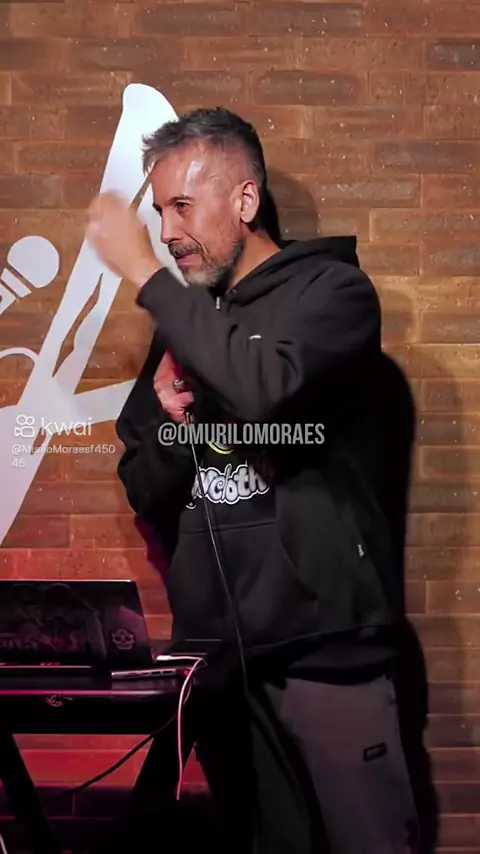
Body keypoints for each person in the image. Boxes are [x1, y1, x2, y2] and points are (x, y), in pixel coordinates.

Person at [85, 107, 420, 853]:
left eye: (182, 206)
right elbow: (146, 482)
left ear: (244, 199)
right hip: (222, 664)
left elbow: (269, 387)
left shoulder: (332, 295)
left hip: (325, 654)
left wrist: (147, 278)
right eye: (159, 212)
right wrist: (174, 423)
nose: (168, 233)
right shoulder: (187, 323)